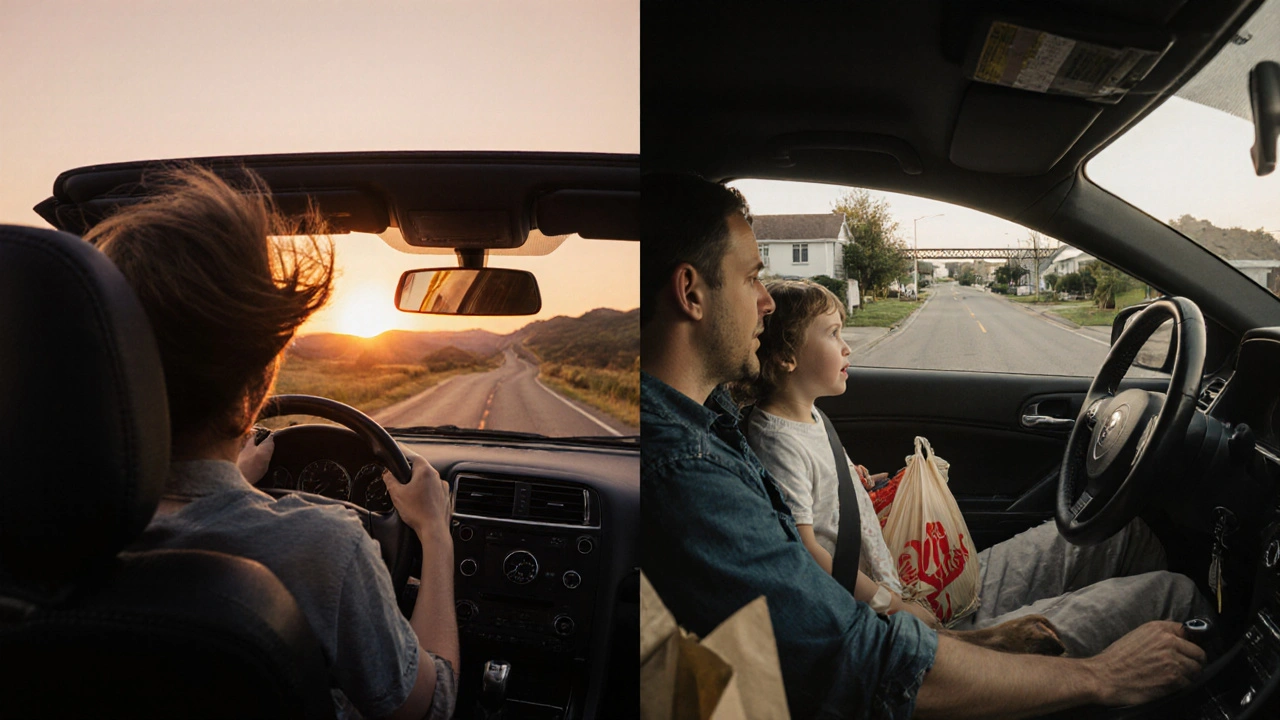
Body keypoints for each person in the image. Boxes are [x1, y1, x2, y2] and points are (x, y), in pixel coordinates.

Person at [640, 171, 1207, 720]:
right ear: (691, 292)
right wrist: (1100, 677)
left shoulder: (709, 417)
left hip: (904, 615)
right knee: (1173, 599)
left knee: (1126, 535)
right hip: (897, 654)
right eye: (751, 277)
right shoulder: (683, 472)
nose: (765, 300)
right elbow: (860, 662)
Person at [90, 166, 457, 720]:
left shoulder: (35, 534)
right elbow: (430, 707)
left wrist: (232, 481)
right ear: (259, 384)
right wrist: (434, 534)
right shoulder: (323, 549)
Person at [740, 279, 1209, 657]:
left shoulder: (811, 417)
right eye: (833, 333)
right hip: (904, 625)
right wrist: (895, 605)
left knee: (1124, 534)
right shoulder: (776, 441)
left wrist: (855, 483)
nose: (846, 347)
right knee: (1177, 595)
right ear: (786, 356)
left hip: (921, 585)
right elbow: (808, 556)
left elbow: (824, 504)